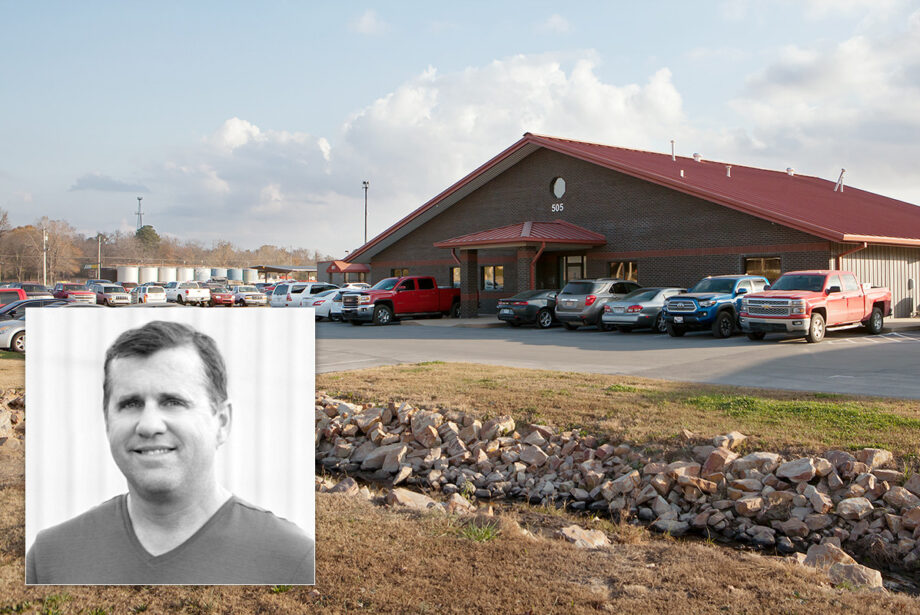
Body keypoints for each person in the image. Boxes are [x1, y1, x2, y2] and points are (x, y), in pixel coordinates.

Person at [26, 320, 314, 584]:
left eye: (173, 402)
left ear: (222, 422)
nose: (149, 425)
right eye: (130, 404)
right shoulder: (50, 557)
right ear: (107, 421)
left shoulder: (293, 560)